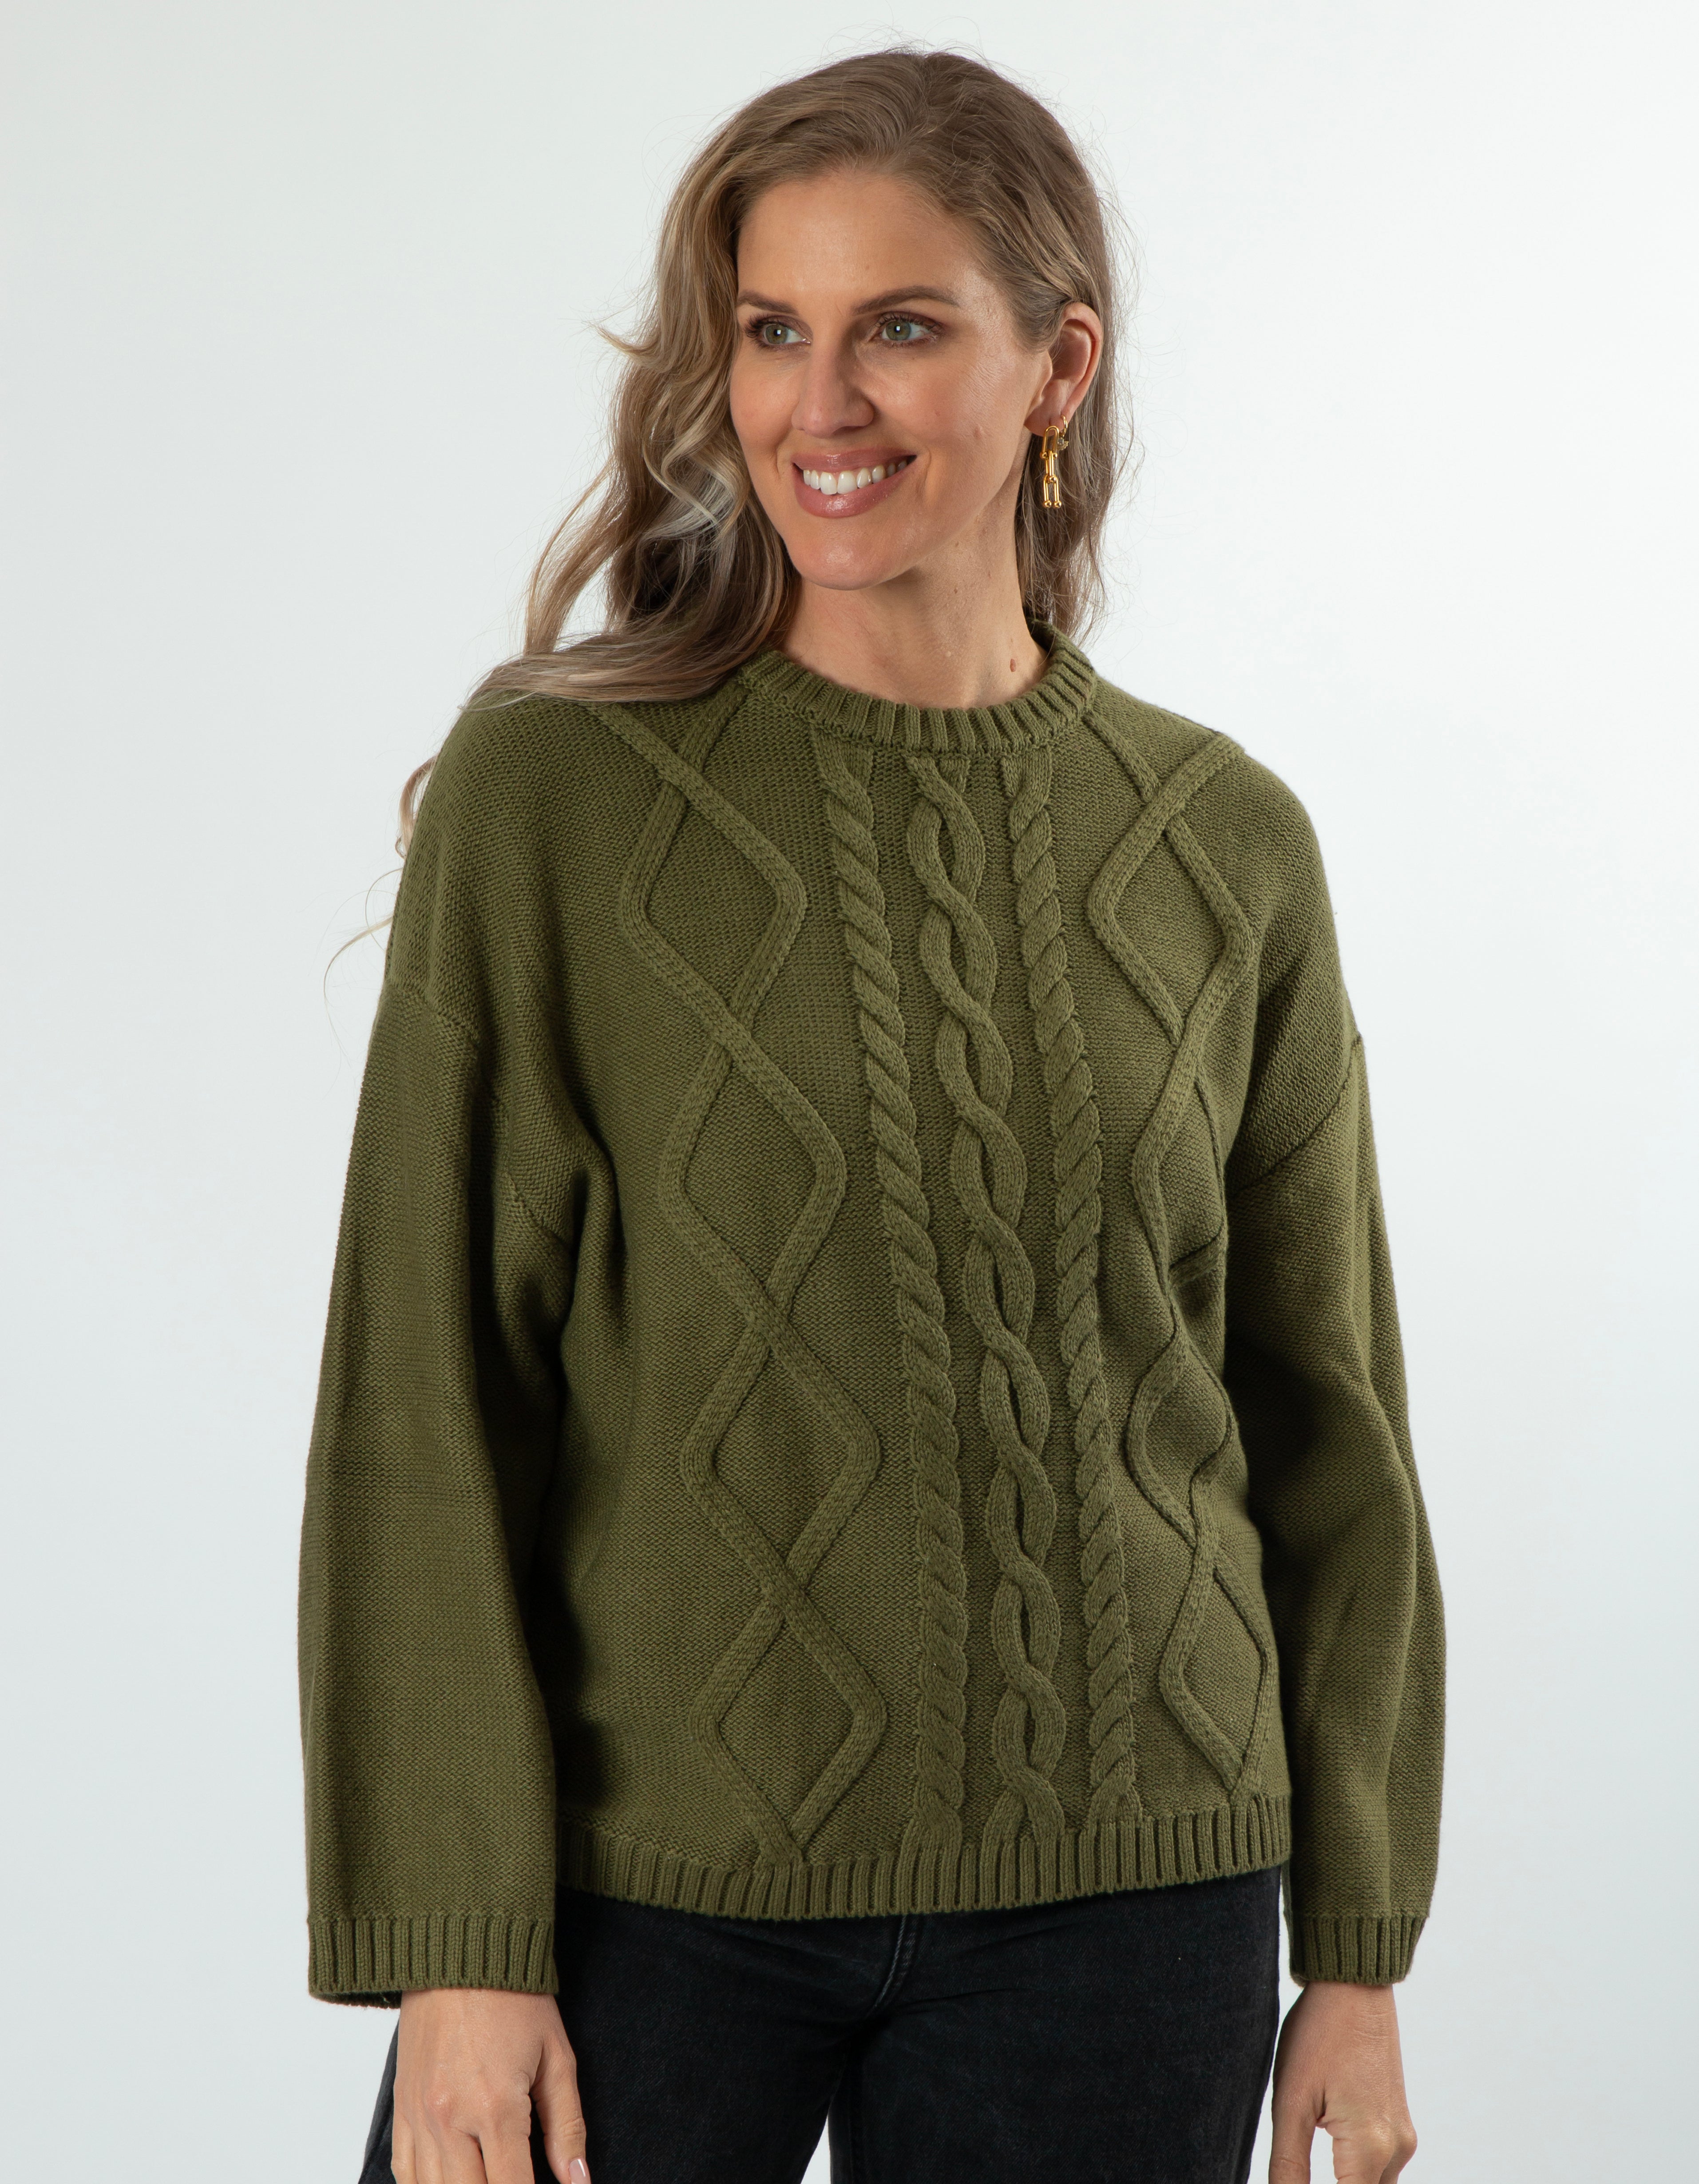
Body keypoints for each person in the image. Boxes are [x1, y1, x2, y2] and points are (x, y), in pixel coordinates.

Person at [298, 47, 1444, 2184]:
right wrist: (455, 1941)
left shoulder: (1223, 846)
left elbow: (1329, 1424)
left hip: (1138, 1888)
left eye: (900, 327)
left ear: (1056, 367)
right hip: (652, 1882)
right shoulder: (561, 799)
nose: (819, 403)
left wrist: (1359, 1953)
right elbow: (424, 1402)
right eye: (772, 331)